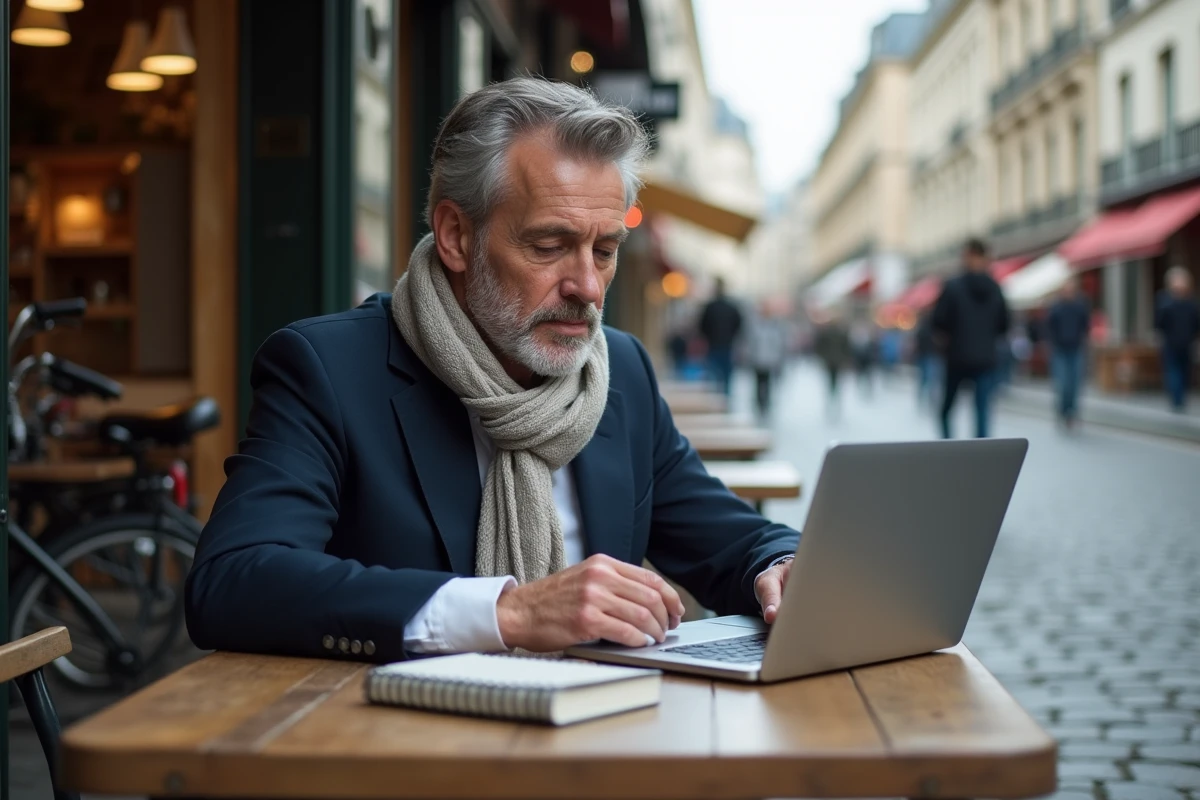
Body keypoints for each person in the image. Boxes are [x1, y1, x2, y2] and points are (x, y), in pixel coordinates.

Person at [184, 78, 800, 663]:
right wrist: (508, 613)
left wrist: (782, 566)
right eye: (549, 246)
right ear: (455, 235)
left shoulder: (621, 372)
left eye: (605, 251)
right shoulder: (330, 370)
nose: (587, 286)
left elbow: (726, 538)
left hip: (601, 739)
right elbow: (234, 580)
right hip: (389, 746)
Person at [932, 238, 1011, 439]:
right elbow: (1004, 324)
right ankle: (980, 454)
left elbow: (938, 321)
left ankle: (947, 448)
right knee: (982, 410)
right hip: (985, 358)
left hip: (957, 356)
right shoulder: (995, 288)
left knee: (947, 408)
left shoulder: (952, 286)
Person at [1045, 277, 1091, 428]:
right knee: (1063, 383)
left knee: (1075, 383)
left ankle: (1072, 412)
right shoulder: (1056, 307)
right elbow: (1049, 327)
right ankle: (1063, 411)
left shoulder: (1080, 306)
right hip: (1060, 350)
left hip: (1076, 348)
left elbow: (1086, 325)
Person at [1154, 266, 1200, 412]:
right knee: (1174, 371)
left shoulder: (1190, 302)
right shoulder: (1165, 301)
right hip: (1171, 343)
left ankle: (1179, 398)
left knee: (1184, 370)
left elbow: (1196, 322)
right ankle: (1177, 399)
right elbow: (1159, 322)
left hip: (1186, 343)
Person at [699, 277, 743, 396]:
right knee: (726, 378)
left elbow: (702, 326)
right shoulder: (732, 307)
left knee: (713, 376)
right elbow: (739, 326)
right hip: (727, 345)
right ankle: (725, 400)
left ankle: (715, 399)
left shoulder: (710, 307)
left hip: (714, 345)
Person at [745, 302, 788, 417]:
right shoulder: (755, 325)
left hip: (770, 359)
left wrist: (779, 358)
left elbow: (779, 343)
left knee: (767, 382)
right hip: (757, 359)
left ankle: (766, 403)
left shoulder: (775, 326)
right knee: (758, 382)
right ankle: (759, 403)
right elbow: (750, 342)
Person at [813, 313, 852, 420]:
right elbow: (820, 347)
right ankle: (831, 403)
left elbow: (846, 348)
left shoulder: (841, 334)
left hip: (836, 362)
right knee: (831, 383)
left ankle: (835, 403)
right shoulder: (827, 333)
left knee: (836, 384)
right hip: (830, 362)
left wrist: (845, 359)